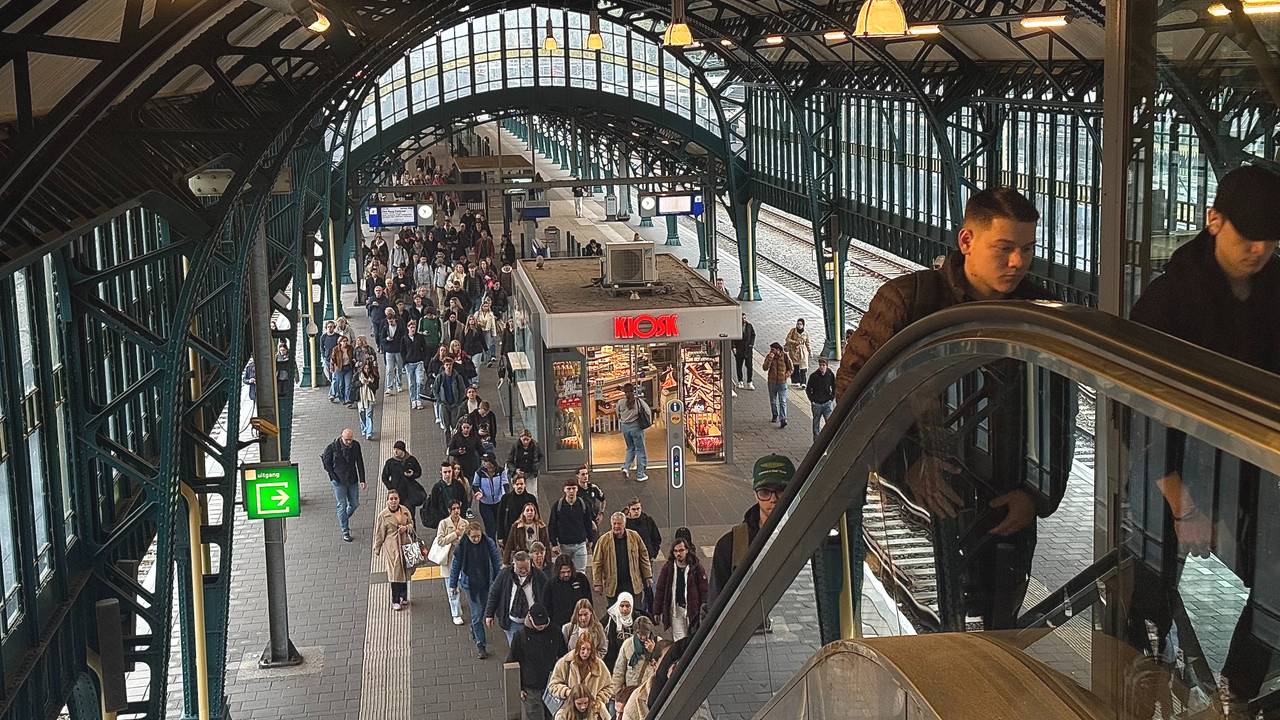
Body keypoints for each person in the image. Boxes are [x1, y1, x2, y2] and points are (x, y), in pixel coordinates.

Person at [834, 186, 1073, 631]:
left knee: (996, 635)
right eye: (1004, 249)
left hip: (1007, 518)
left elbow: (1059, 412)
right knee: (929, 634)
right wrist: (907, 467)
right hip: (920, 512)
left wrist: (1037, 496)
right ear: (966, 241)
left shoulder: (1042, 312)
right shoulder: (907, 302)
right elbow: (853, 400)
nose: (1018, 262)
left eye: (1027, 249)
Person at [1125, 164, 1280, 715]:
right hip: (1171, 475)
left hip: (1249, 476)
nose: (1259, 249)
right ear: (1214, 220)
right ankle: (1144, 684)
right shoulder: (1169, 302)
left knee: (1275, 584)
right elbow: (1138, 412)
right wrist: (1181, 501)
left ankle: (1236, 693)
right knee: (1150, 593)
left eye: (1271, 239)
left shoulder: (1274, 294)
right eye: (1249, 236)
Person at [711, 454, 792, 599]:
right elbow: (715, 603)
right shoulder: (731, 546)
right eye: (765, 492)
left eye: (781, 490)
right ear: (755, 494)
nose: (773, 499)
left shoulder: (813, 533)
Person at [449, 521, 502, 659]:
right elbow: (456, 565)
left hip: (486, 582)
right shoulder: (462, 547)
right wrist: (453, 584)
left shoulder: (488, 543)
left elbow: (496, 561)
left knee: (484, 610)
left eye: (478, 536)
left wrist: (498, 581)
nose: (476, 539)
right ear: (468, 535)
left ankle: (474, 627)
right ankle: (481, 644)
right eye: (474, 537)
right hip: (469, 584)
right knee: (477, 613)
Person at [508, 602, 567, 720]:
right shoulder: (520, 636)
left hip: (551, 685)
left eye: (544, 623)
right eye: (538, 624)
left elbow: (563, 657)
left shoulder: (555, 631)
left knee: (553, 716)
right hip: (531, 688)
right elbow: (512, 662)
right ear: (530, 618)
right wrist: (518, 688)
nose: (541, 626)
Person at [485, 551, 549, 647]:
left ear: (530, 563)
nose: (523, 571)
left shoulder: (539, 576)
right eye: (520, 568)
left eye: (526, 568)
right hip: (512, 622)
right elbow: (494, 594)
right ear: (513, 565)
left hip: (533, 623)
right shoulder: (504, 575)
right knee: (516, 650)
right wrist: (489, 614)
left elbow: (547, 596)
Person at [652, 532, 707, 641]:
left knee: (692, 638)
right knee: (679, 640)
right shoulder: (668, 568)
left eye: (681, 550)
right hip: (675, 610)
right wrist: (656, 611)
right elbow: (660, 590)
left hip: (692, 610)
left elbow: (704, 589)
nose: (678, 553)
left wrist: (705, 608)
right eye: (676, 551)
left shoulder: (696, 568)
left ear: (687, 550)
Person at [592, 513, 653, 607]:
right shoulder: (603, 540)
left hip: (633, 584)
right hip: (613, 586)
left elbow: (644, 556)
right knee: (614, 613)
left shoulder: (634, 536)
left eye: (619, 523)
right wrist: (597, 583)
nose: (616, 526)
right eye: (614, 523)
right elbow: (597, 563)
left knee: (636, 611)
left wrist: (648, 576)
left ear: (624, 524)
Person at [320, 429, 367, 543]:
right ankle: (345, 530)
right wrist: (333, 477)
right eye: (347, 440)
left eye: (351, 439)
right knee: (342, 504)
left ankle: (344, 519)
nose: (349, 442)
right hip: (338, 480)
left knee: (354, 504)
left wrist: (362, 479)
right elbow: (327, 464)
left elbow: (359, 462)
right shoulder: (332, 448)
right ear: (342, 437)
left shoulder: (356, 446)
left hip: (352, 479)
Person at [372, 489, 414, 610]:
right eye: (391, 499)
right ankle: (395, 599)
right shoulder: (383, 515)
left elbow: (412, 524)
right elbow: (379, 533)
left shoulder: (405, 511)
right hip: (392, 548)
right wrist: (377, 548)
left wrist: (406, 528)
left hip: (405, 545)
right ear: (387, 501)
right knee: (395, 574)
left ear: (399, 499)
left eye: (395, 498)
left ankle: (404, 596)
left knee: (405, 571)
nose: (393, 501)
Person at [548, 634, 614, 708]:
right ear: (578, 648)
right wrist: (567, 692)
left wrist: (598, 700)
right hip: (569, 708)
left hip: (591, 710)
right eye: (583, 649)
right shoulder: (565, 662)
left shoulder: (599, 665)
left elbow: (609, 687)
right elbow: (553, 685)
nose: (585, 652)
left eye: (588, 649)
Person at [548, 479, 593, 575]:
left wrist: (590, 539)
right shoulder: (558, 506)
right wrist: (554, 543)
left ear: (577, 489)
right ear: (564, 490)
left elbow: (588, 523)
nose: (571, 491)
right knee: (564, 572)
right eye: (569, 489)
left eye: (573, 488)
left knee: (580, 572)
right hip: (564, 545)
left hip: (580, 544)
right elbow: (552, 525)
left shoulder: (583, 504)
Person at [434, 499, 468, 624]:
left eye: (458, 508)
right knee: (452, 587)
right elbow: (440, 541)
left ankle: (459, 604)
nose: (456, 511)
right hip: (449, 560)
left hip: (462, 560)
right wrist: (455, 534)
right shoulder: (443, 523)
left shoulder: (465, 523)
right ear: (449, 510)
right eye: (453, 509)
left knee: (463, 584)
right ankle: (456, 613)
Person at [380, 440, 426, 520]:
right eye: (394, 449)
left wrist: (412, 475)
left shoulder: (411, 460)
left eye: (398, 449)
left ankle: (412, 531)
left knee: (410, 516)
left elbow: (419, 472)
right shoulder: (390, 463)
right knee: (397, 517)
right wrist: (391, 488)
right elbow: (384, 477)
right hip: (397, 494)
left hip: (409, 494)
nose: (395, 451)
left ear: (403, 450)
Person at [611, 616, 660, 691]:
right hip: (632, 689)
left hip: (651, 689)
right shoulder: (628, 644)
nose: (643, 638)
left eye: (645, 634)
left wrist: (653, 652)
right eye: (640, 634)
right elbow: (619, 671)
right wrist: (616, 692)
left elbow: (662, 666)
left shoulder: (659, 643)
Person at [615, 383, 651, 483]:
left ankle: (626, 467)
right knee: (640, 450)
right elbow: (648, 411)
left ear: (624, 392)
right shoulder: (638, 401)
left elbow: (617, 414)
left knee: (630, 448)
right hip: (636, 427)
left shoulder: (620, 402)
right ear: (633, 391)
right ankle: (640, 474)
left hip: (625, 428)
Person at [497, 472, 540, 548]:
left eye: (521, 484)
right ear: (513, 485)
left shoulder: (531, 498)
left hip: (528, 534)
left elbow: (537, 516)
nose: (519, 486)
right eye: (517, 484)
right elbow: (500, 518)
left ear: (525, 485)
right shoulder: (506, 499)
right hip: (510, 534)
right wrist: (500, 536)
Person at [472, 452, 508, 540]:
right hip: (485, 504)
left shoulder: (500, 471)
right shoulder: (479, 473)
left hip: (498, 502)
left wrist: (504, 497)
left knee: (499, 525)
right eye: (483, 461)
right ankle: (492, 546)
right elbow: (475, 485)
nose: (484, 463)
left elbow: (505, 484)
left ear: (491, 462)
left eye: (486, 461)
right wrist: (479, 492)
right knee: (490, 527)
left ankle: (501, 543)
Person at [502, 500, 550, 565]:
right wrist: (505, 562)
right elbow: (509, 544)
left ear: (535, 513)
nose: (529, 512)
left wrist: (548, 561)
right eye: (527, 510)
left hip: (537, 557)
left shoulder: (541, 526)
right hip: (523, 556)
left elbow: (546, 544)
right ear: (523, 513)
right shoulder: (516, 526)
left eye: (532, 510)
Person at [602, 592, 637, 671]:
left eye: (627, 606)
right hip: (613, 660)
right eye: (622, 606)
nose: (624, 609)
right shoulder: (610, 619)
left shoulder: (637, 618)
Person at [762, 342, 794, 429]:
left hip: (782, 382)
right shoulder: (769, 356)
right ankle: (775, 415)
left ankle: (783, 419)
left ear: (778, 349)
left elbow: (791, 368)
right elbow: (764, 368)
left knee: (782, 401)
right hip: (772, 382)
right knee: (773, 400)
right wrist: (769, 359)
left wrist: (786, 375)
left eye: (773, 349)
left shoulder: (785, 356)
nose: (771, 351)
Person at [805, 357, 837, 440]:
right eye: (820, 365)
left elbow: (834, 386)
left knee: (829, 422)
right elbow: (808, 389)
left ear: (827, 366)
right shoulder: (814, 376)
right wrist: (812, 400)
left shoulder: (830, 374)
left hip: (827, 403)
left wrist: (831, 398)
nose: (821, 367)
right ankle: (816, 439)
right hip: (817, 403)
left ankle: (829, 439)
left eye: (823, 365)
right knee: (816, 422)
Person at [432, 355, 467, 430]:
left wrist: (458, 402)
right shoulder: (440, 377)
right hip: (444, 404)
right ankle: (448, 441)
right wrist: (439, 401)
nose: (448, 366)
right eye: (447, 365)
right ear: (444, 366)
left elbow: (462, 390)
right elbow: (435, 389)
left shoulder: (457, 377)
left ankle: (455, 440)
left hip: (454, 404)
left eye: (450, 364)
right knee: (446, 427)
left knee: (455, 425)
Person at [402, 319, 430, 410]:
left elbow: (425, 349)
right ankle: (413, 399)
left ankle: (419, 399)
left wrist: (424, 360)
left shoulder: (420, 337)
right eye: (411, 327)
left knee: (419, 381)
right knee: (411, 383)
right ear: (408, 328)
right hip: (409, 363)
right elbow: (402, 351)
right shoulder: (404, 338)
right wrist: (405, 362)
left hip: (419, 362)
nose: (413, 329)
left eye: (414, 327)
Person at [507, 429, 544, 497]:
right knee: (518, 492)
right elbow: (509, 461)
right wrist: (515, 470)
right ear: (520, 438)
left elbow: (541, 457)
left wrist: (536, 466)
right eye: (524, 439)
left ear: (530, 438)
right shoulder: (515, 446)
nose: (526, 442)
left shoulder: (535, 446)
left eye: (527, 439)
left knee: (531, 493)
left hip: (530, 473)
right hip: (518, 474)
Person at [574, 465, 607, 539]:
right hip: (581, 523)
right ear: (577, 476)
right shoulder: (575, 491)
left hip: (594, 520)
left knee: (596, 543)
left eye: (586, 474)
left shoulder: (593, 488)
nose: (585, 476)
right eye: (583, 474)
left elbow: (603, 500)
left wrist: (601, 513)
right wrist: (589, 521)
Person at [354, 357, 379, 439]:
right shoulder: (358, 375)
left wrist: (369, 384)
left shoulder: (374, 376)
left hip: (369, 398)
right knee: (362, 414)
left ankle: (369, 432)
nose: (367, 370)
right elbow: (353, 384)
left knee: (369, 415)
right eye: (365, 368)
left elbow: (376, 387)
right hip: (360, 398)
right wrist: (360, 383)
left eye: (368, 368)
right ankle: (364, 428)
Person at [328, 335, 355, 406]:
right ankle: (342, 398)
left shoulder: (350, 348)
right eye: (344, 341)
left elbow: (353, 356)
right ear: (340, 342)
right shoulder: (336, 349)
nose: (345, 343)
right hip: (339, 369)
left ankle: (347, 399)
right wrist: (332, 368)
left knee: (348, 385)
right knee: (341, 385)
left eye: (346, 341)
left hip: (348, 368)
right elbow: (332, 359)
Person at [784, 318, 811, 388]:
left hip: (802, 351)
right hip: (794, 350)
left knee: (803, 367)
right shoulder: (793, 331)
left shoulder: (806, 333)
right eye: (798, 324)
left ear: (803, 325)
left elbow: (807, 343)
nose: (799, 325)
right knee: (795, 366)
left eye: (800, 324)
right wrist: (795, 342)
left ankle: (803, 382)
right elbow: (787, 339)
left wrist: (810, 351)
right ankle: (796, 381)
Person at [732, 313, 756, 390]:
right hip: (739, 349)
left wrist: (751, 344)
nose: (744, 320)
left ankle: (749, 381)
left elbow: (753, 335)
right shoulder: (736, 327)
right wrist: (733, 347)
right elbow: (732, 337)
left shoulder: (749, 326)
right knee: (739, 366)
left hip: (748, 350)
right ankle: (740, 381)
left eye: (745, 318)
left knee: (749, 366)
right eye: (742, 318)